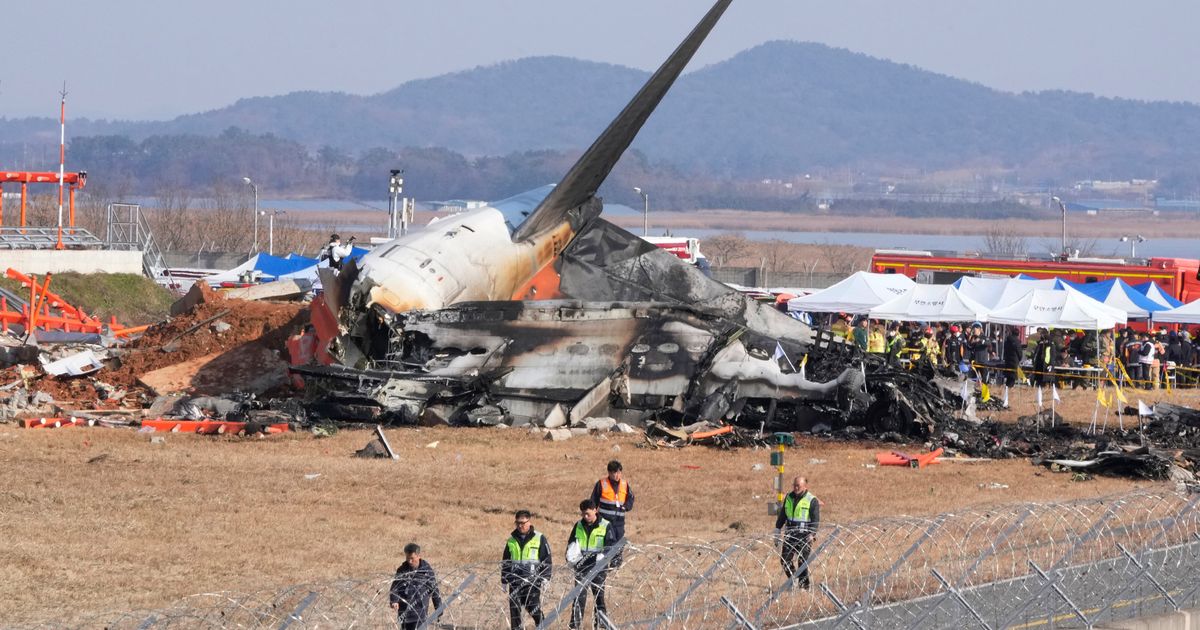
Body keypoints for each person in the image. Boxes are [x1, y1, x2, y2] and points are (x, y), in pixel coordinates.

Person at [568, 499, 618, 630]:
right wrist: (570, 555)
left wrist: (604, 556)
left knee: (599, 598)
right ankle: (574, 626)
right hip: (582, 567)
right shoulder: (578, 525)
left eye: (587, 514)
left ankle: (600, 625)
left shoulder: (605, 525)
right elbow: (572, 543)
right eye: (583, 514)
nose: (585, 517)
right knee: (578, 597)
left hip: (599, 568)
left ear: (596, 510)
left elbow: (611, 545)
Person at [502, 510, 552, 629]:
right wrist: (504, 579)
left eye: (523, 523)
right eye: (518, 523)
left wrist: (546, 577)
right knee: (515, 611)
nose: (520, 526)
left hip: (532, 581)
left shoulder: (539, 538)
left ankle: (542, 626)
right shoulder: (511, 540)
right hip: (515, 581)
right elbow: (506, 562)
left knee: (533, 608)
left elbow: (547, 559)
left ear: (529, 522)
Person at [774, 476, 820, 589]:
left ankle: (804, 587)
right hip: (790, 534)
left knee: (802, 562)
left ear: (805, 486)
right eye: (794, 485)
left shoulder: (812, 500)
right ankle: (793, 580)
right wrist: (777, 529)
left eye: (798, 486)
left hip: (804, 535)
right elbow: (783, 515)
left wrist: (812, 534)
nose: (795, 488)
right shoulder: (789, 497)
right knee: (785, 560)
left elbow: (815, 520)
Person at [390, 543, 443, 630]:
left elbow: (434, 590)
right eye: (407, 558)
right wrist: (394, 600)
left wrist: (438, 608)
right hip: (404, 612)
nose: (409, 561)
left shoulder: (426, 571)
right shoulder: (402, 570)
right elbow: (395, 587)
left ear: (419, 556)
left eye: (412, 558)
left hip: (420, 613)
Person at [590, 460, 634, 566]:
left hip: (619, 522)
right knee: (605, 543)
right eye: (614, 472)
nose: (617, 475)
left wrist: (626, 507)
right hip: (605, 521)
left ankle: (615, 566)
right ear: (609, 473)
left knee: (618, 543)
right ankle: (602, 564)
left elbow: (631, 498)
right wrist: (593, 516)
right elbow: (593, 501)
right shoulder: (601, 484)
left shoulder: (625, 484)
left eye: (619, 472)